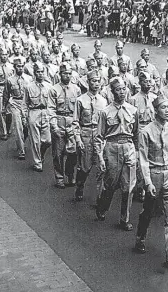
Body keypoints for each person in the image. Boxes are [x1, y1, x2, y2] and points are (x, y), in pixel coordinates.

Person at [134, 94, 168, 272]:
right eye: (164, 108)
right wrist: (147, 182)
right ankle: (140, 237)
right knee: (148, 211)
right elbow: (142, 159)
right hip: (154, 174)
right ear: (155, 110)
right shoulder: (146, 131)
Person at [94, 77, 139, 231]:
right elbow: (99, 137)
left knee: (129, 187)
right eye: (118, 89)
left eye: (123, 88)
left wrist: (137, 153)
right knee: (110, 185)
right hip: (112, 148)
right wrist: (100, 157)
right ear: (112, 92)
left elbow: (136, 134)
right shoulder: (105, 112)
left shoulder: (133, 110)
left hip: (128, 147)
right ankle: (102, 207)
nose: (121, 92)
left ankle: (124, 219)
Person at [72, 69, 108, 203]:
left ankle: (99, 197)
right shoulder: (80, 100)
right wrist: (78, 139)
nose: (96, 84)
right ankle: (80, 186)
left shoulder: (103, 101)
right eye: (93, 81)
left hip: (99, 136)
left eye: (98, 81)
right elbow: (75, 122)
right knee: (85, 167)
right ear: (88, 82)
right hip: (86, 134)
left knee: (101, 168)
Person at [49, 62, 82, 188]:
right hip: (59, 119)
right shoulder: (54, 90)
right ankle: (59, 177)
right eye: (64, 73)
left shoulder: (76, 89)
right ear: (60, 74)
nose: (67, 76)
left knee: (73, 152)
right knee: (58, 153)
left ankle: (70, 172)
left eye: (69, 73)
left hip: (72, 121)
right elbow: (51, 109)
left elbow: (79, 109)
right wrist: (54, 126)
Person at [130, 71, 157, 202]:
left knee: (152, 158)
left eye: (149, 81)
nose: (148, 83)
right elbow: (133, 121)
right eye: (145, 81)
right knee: (141, 160)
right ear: (140, 83)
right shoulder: (134, 99)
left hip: (152, 129)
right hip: (140, 130)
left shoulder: (154, 98)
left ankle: (150, 185)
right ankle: (139, 187)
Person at [24, 62, 53, 173]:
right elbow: (25, 103)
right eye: (38, 72)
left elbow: (52, 103)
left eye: (42, 72)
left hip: (46, 112)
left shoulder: (49, 87)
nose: (40, 74)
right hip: (34, 112)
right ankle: (38, 163)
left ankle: (40, 155)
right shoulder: (29, 87)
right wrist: (25, 117)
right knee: (35, 140)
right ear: (34, 73)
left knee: (47, 141)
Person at [3, 56, 33, 160]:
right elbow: (6, 94)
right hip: (15, 103)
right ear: (14, 67)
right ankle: (21, 150)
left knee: (26, 128)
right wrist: (4, 107)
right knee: (18, 126)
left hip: (26, 105)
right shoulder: (10, 80)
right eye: (18, 66)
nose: (20, 68)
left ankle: (22, 140)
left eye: (22, 66)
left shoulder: (29, 79)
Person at [0, 48, 15, 140]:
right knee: (1, 111)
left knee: (9, 112)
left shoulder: (11, 67)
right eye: (2, 54)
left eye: (6, 54)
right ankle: (4, 131)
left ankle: (8, 127)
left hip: (9, 89)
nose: (4, 56)